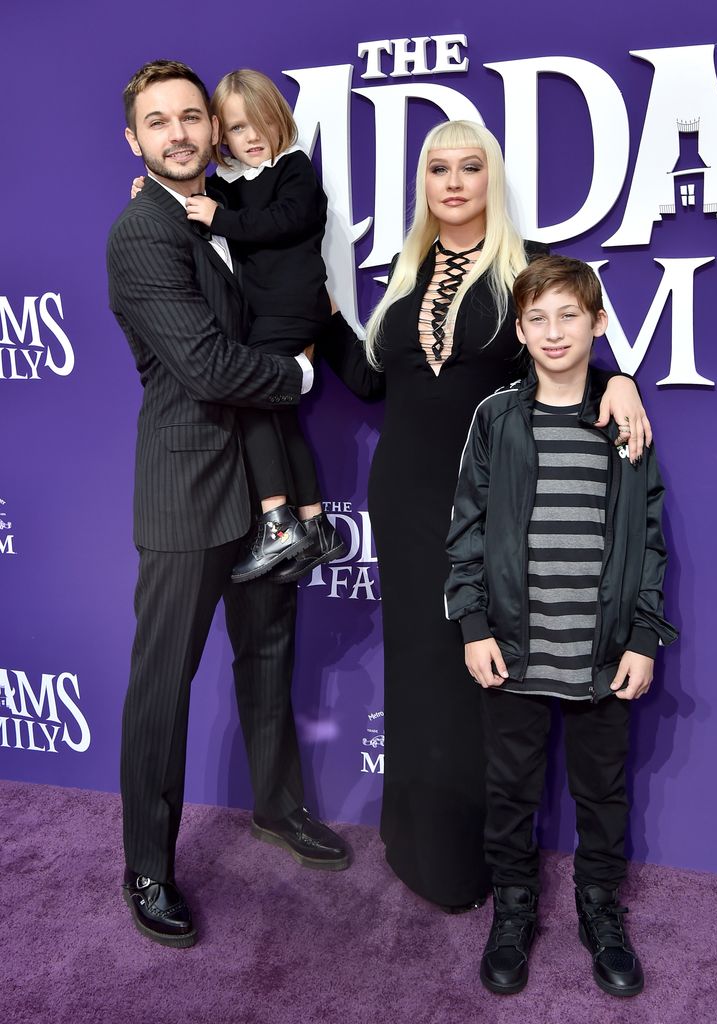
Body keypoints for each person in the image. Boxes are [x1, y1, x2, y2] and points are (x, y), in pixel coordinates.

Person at [318, 120, 652, 910]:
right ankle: (416, 842)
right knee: (417, 668)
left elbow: (561, 348)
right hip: (400, 498)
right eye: (439, 168)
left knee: (482, 674)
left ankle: (480, 866)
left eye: (471, 166)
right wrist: (321, 313)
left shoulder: (524, 271)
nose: (455, 181)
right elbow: (372, 385)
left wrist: (619, 382)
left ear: (490, 179)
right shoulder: (406, 274)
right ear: (424, 185)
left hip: (492, 501)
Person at [108, 59, 349, 950]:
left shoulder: (229, 217)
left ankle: (277, 807)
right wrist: (293, 373)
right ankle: (145, 865)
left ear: (212, 130)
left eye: (189, 117)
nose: (177, 133)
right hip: (185, 487)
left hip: (262, 485)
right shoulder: (141, 233)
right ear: (134, 141)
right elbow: (207, 366)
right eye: (157, 123)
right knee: (160, 690)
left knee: (270, 653)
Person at [445, 255, 678, 995]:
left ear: (597, 323)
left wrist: (642, 635)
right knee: (510, 789)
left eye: (568, 316)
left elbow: (648, 537)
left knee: (602, 792)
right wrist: (473, 622)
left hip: (601, 651)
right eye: (537, 319)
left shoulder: (623, 418)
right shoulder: (496, 417)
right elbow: (467, 529)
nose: (552, 332)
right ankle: (512, 910)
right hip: (514, 647)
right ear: (519, 329)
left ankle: (598, 908)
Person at [182, 69, 345, 582]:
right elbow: (203, 212)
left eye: (257, 124)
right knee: (277, 414)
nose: (249, 138)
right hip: (267, 313)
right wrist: (159, 193)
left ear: (278, 120)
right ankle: (315, 525)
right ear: (218, 136)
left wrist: (218, 217)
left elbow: (283, 221)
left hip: (293, 308)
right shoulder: (230, 190)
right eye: (234, 129)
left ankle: (277, 522)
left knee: (248, 396)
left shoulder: (294, 169)